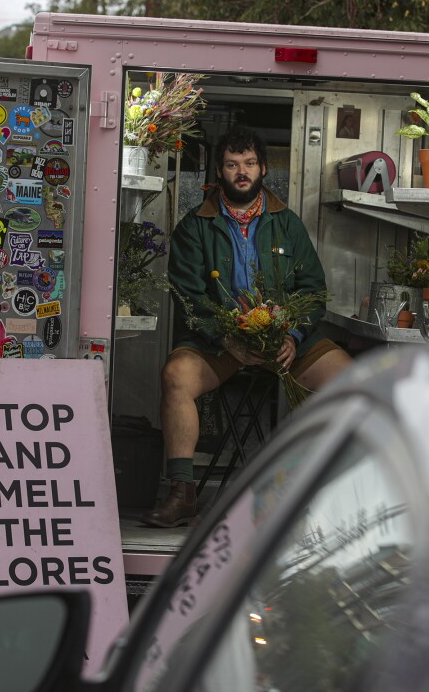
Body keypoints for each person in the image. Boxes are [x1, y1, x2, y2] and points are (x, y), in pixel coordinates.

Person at [142, 126, 352, 528]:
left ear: (263, 168)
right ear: (219, 170)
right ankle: (182, 494)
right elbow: (187, 298)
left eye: (250, 164)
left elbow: (313, 289)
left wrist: (292, 335)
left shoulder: (286, 223)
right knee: (176, 376)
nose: (242, 172)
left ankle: (324, 491)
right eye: (233, 164)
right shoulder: (194, 226)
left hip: (285, 340)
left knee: (350, 380)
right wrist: (225, 338)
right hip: (220, 343)